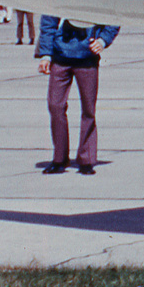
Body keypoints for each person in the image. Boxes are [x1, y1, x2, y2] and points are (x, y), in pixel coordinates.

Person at [37, 15, 119, 174]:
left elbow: (114, 15)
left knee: (88, 109)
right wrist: (45, 55)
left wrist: (102, 40)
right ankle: (59, 158)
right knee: (55, 106)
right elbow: (48, 21)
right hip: (60, 58)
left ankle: (86, 159)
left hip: (87, 58)